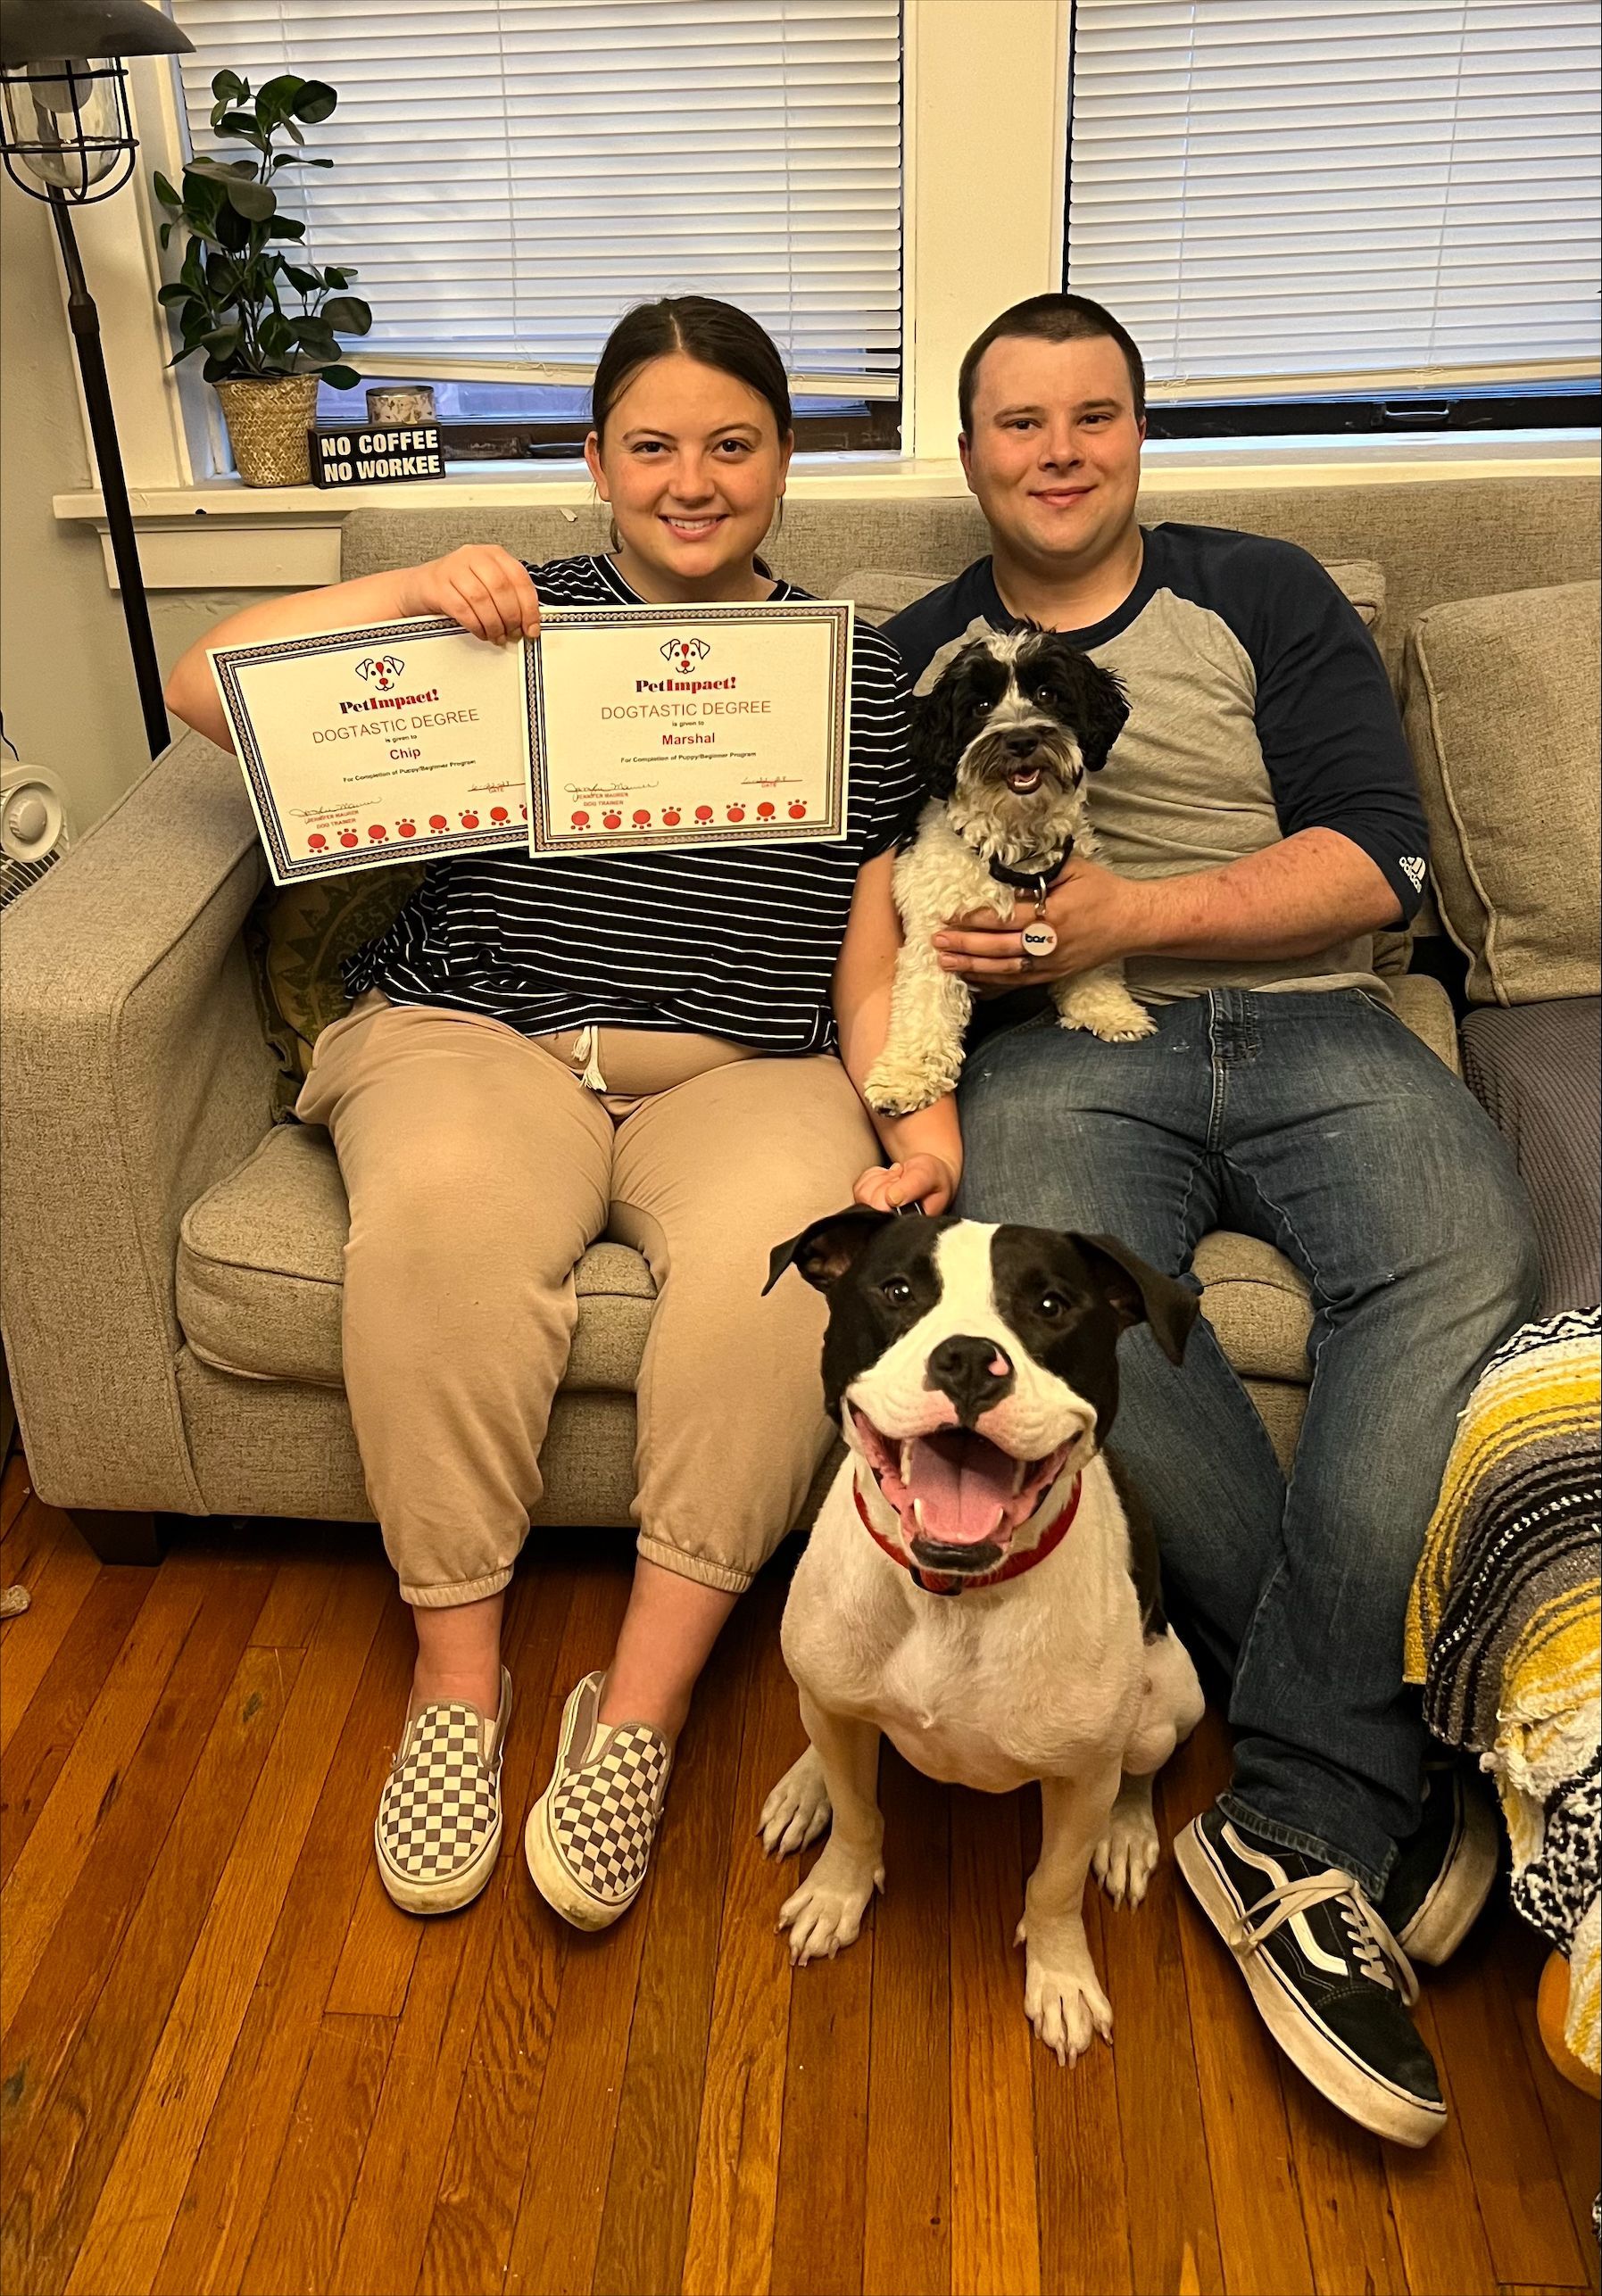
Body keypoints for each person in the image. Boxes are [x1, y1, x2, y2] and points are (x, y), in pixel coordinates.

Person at [164, 296, 958, 1933]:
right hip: (475, 1036)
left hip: (740, 1070)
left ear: (784, 462)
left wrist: (917, 1118)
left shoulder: (859, 666)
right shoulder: (504, 619)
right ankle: (460, 1685)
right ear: (595, 461)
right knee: (445, 1231)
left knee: (783, 1282)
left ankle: (639, 1707)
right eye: (652, 445)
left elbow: (877, 937)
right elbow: (201, 684)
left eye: (731, 444)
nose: (692, 479)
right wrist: (413, 587)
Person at [880, 292, 1540, 2148]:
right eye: (1020, 422)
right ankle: (1367, 1782)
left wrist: (1130, 918)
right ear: (970, 452)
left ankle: (1292, 1809)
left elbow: (1376, 860)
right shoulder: (922, 652)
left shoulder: (1262, 589)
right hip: (1064, 1061)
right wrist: (915, 1095)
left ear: (1139, 433)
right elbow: (873, 883)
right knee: (1080, 1328)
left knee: (1468, 1262)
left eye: (1092, 414)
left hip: (1318, 1017)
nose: (1059, 450)